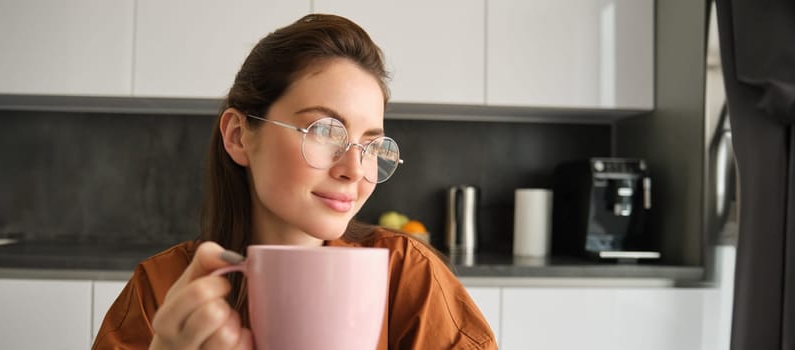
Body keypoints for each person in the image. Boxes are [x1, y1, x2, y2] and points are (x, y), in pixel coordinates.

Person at [93, 13, 496, 350]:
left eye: (371, 145)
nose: (354, 170)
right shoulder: (161, 293)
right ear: (238, 136)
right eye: (324, 131)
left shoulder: (409, 277)